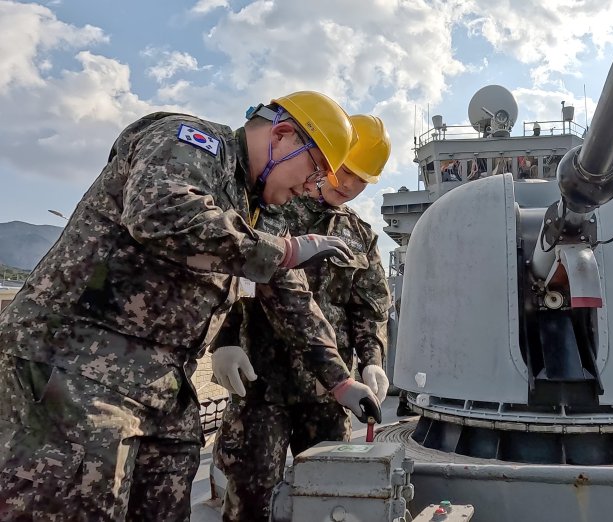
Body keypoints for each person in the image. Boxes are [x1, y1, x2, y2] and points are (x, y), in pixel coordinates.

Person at [0, 91, 379, 521]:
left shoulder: (259, 209)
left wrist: (339, 382)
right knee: (71, 504)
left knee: (166, 502)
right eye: (314, 172)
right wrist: (286, 250)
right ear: (283, 135)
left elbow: (291, 296)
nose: (311, 189)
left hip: (163, 384)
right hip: (75, 364)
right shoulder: (189, 142)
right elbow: (161, 212)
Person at [211, 114, 392, 522]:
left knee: (332, 500)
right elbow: (228, 275)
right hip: (261, 385)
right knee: (251, 500)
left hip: (329, 393)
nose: (348, 186)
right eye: (345, 172)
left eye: (361, 180)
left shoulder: (359, 235)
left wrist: (373, 359)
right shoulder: (268, 204)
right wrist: (225, 341)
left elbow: (370, 307)